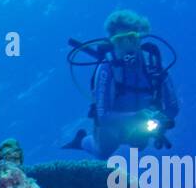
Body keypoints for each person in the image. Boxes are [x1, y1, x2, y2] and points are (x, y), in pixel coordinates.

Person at [64, 10, 179, 158]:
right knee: (103, 152)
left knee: (140, 145)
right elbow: (103, 115)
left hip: (142, 123)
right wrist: (136, 116)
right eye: (120, 40)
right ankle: (82, 141)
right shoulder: (107, 69)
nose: (126, 45)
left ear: (140, 38)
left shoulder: (154, 65)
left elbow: (173, 107)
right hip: (113, 122)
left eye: (131, 38)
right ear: (112, 42)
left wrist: (161, 118)